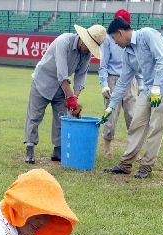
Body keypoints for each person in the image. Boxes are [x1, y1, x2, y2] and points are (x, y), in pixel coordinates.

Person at [101, 17, 163, 179]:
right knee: (136, 123)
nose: (115, 43)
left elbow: (162, 59)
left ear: (120, 33)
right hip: (148, 89)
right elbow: (123, 81)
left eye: (114, 38)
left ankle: (146, 165)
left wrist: (157, 86)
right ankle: (125, 164)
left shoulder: (147, 35)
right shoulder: (128, 52)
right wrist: (111, 106)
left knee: (155, 127)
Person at [24, 24, 106, 164]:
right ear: (83, 40)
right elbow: (62, 74)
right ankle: (30, 148)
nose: (90, 51)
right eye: (90, 46)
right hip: (43, 81)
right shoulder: (64, 41)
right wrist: (71, 97)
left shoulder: (86, 55)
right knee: (34, 116)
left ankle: (58, 150)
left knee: (61, 118)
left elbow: (80, 77)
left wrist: (75, 97)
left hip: (61, 89)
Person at [98, 9, 144, 159]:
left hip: (130, 81)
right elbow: (103, 64)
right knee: (110, 116)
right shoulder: (108, 39)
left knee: (133, 115)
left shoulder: (132, 40)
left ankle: (134, 150)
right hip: (113, 79)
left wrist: (141, 82)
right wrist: (104, 84)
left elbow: (137, 62)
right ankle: (107, 148)